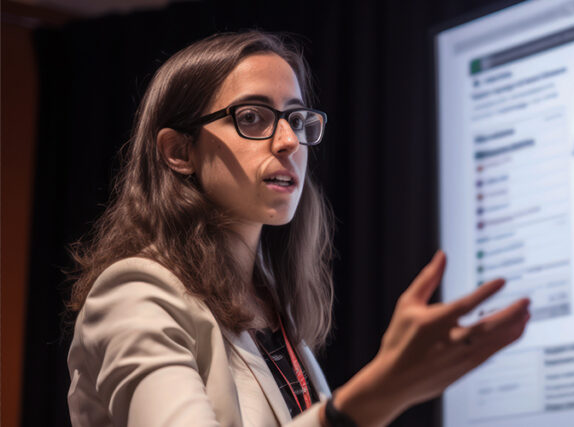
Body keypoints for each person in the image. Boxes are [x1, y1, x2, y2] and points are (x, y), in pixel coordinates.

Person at [65, 31, 531, 427]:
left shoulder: (272, 306)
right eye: (252, 118)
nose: (289, 141)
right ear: (179, 152)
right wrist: (371, 397)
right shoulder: (135, 293)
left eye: (295, 118)